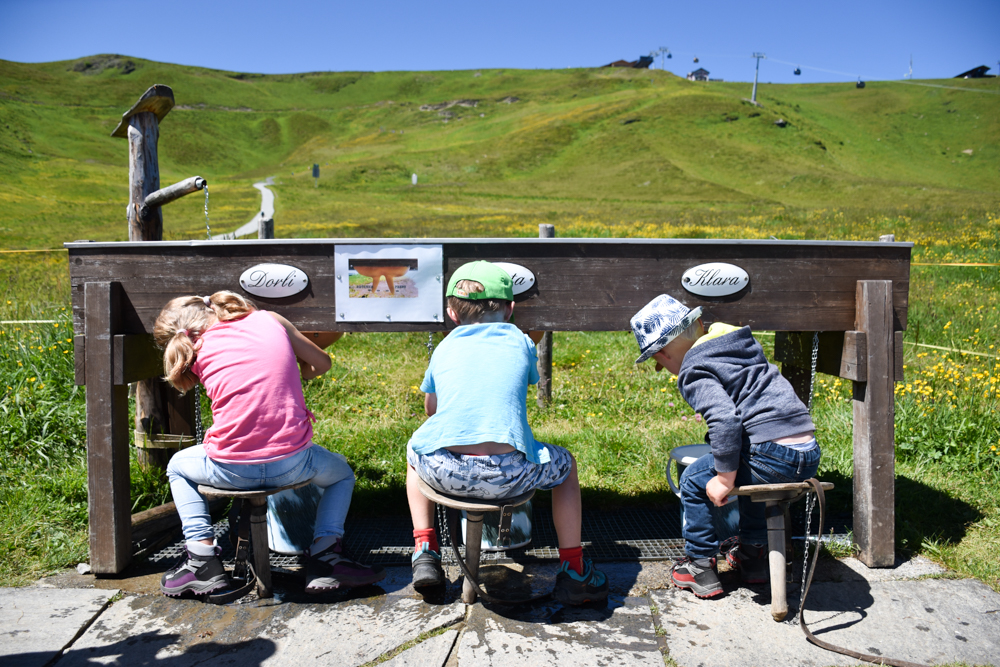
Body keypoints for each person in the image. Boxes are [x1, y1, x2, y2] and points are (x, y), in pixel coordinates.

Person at [153, 291, 385, 597]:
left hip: (230, 468)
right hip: (294, 464)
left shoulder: (197, 348)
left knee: (178, 468)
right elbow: (322, 363)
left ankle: (201, 559)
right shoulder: (270, 319)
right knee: (341, 474)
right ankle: (326, 556)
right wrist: (299, 371)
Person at [405, 261, 608, 605]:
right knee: (567, 466)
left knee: (415, 447)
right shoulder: (521, 341)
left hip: (445, 473)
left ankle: (425, 549)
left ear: (451, 313)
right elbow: (525, 382)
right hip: (510, 474)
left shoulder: (444, 347)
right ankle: (574, 570)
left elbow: (431, 410)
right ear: (511, 308)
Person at [630, 294, 820, 598]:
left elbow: (726, 421)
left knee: (694, 480)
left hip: (769, 454)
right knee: (752, 478)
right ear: (700, 324)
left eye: (658, 363)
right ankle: (754, 557)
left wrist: (723, 478)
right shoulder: (739, 343)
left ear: (663, 354)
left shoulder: (693, 368)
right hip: (806, 452)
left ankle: (701, 567)